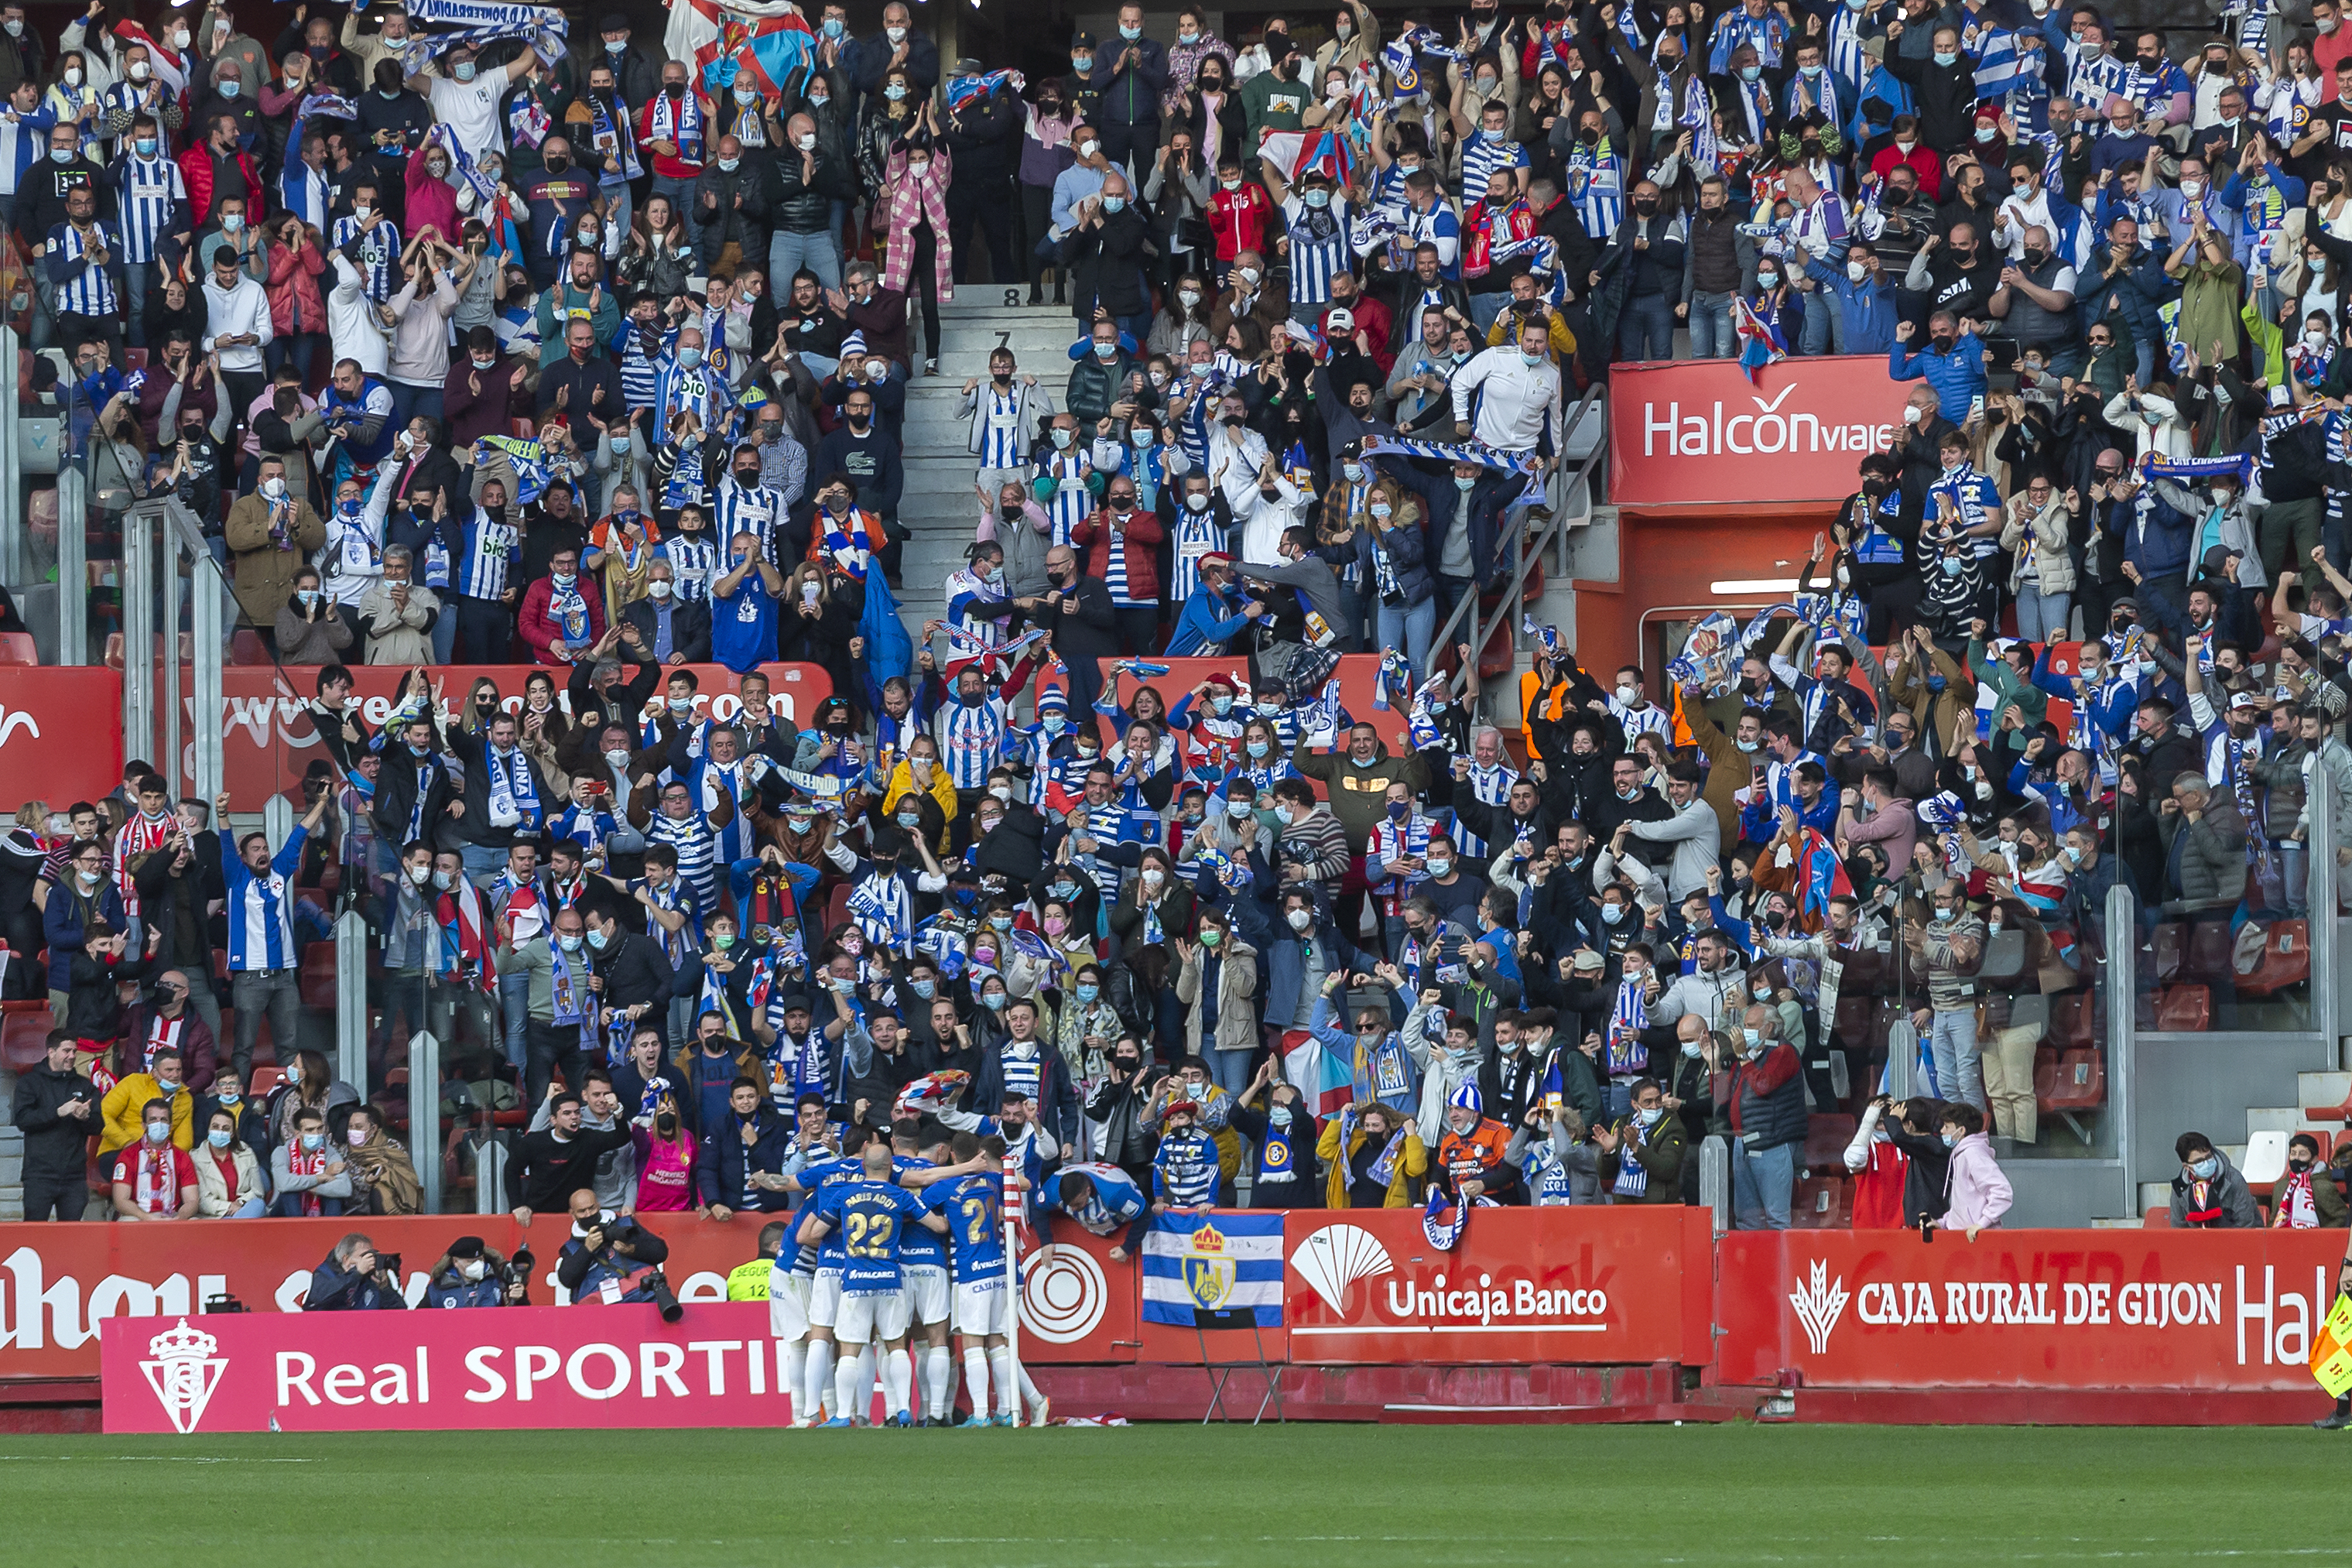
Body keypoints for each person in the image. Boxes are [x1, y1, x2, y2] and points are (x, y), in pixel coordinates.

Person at [12, 1032, 100, 1221]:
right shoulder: (30, 1082)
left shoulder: (85, 1086)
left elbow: (98, 1127)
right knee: (34, 1234)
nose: (72, 1056)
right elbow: (23, 1120)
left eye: (75, 1051)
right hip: (39, 1175)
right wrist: (58, 1112)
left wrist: (85, 1117)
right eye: (66, 1051)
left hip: (74, 1176)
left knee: (71, 1236)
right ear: (51, 1052)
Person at [2170, 1130, 2261, 1227]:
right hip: (2198, 1241)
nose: (2206, 1163)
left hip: (2234, 1239)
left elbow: (2245, 1223)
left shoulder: (2233, 1179)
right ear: (2186, 1167)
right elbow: (2179, 1228)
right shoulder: (2180, 1188)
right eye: (2199, 1161)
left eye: (2208, 1157)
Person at [303, 1234, 410, 1309]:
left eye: (370, 1255)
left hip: (366, 1332)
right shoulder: (325, 1273)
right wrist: (356, 1273)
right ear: (346, 1259)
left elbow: (400, 1313)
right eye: (363, 1256)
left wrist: (385, 1289)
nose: (368, 1261)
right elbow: (318, 1300)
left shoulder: (371, 1277)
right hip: (331, 1333)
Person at [422, 1235, 532, 1307]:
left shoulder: (499, 1278)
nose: (477, 1265)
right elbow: (421, 1319)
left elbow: (521, 1315)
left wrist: (519, 1298)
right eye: (470, 1262)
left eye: (479, 1260)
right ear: (456, 1261)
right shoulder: (439, 1287)